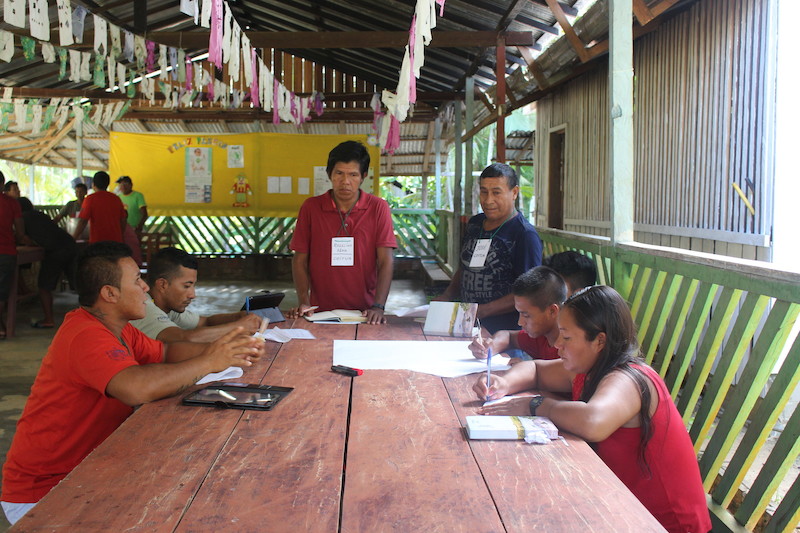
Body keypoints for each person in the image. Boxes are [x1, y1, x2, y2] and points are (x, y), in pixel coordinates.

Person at [0, 241, 263, 525]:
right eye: (138, 280)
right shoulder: (84, 334)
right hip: (45, 493)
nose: (146, 287)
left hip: (87, 475)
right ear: (110, 293)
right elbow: (135, 388)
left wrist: (229, 350)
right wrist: (209, 361)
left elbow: (168, 353)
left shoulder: (120, 328)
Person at [473, 285, 712, 533]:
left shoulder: (629, 379)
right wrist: (503, 383)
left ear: (599, 341)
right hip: (619, 508)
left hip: (664, 524)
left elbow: (593, 421)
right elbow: (535, 370)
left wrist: (537, 404)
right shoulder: (588, 370)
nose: (557, 345)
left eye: (566, 337)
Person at [287, 140, 397, 325]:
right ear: (329, 174)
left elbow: (386, 260)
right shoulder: (311, 207)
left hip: (365, 312)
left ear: (363, 176)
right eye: (339, 173)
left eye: (353, 174)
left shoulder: (378, 207)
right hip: (318, 311)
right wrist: (303, 301)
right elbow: (299, 259)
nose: (345, 182)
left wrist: (378, 306)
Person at [437, 163, 542, 334]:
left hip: (504, 334)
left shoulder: (524, 234)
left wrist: (483, 310)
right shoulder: (475, 224)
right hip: (467, 324)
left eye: (496, 192)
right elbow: (465, 267)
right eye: (484, 192)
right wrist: (448, 295)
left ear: (514, 192)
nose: (488, 200)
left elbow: (529, 292)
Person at [130, 246, 261, 342]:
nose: (192, 295)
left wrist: (237, 316)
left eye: (193, 285)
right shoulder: (144, 307)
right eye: (186, 286)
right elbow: (184, 339)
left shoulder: (167, 307)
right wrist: (239, 327)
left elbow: (205, 322)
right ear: (163, 284)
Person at [469, 266, 565, 362]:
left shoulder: (570, 350)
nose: (520, 322)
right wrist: (490, 346)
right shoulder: (541, 337)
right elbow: (509, 336)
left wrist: (526, 370)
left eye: (526, 315)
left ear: (552, 311)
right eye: (519, 313)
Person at [18, 197, 78, 328]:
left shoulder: (22, 218)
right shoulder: (40, 215)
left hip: (55, 250)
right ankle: (95, 318)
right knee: (79, 285)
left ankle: (48, 320)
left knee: (44, 287)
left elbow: (23, 237)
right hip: (69, 244)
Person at [0, 171, 25, 340]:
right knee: (2, 292)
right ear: (3, 185)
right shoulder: (12, 204)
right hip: (6, 252)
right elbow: (21, 232)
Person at [71, 171, 127, 243]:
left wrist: (73, 238)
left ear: (93, 184)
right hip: (115, 241)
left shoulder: (90, 199)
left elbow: (83, 221)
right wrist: (120, 235)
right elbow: (123, 220)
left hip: (98, 242)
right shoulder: (116, 199)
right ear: (107, 184)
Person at [115, 175, 146, 265]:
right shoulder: (118, 198)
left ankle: (137, 266)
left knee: (135, 250)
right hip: (122, 229)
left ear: (131, 185)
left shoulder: (138, 196)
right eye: (121, 184)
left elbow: (144, 213)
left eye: (125, 184)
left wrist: (139, 227)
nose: (123, 186)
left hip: (135, 228)